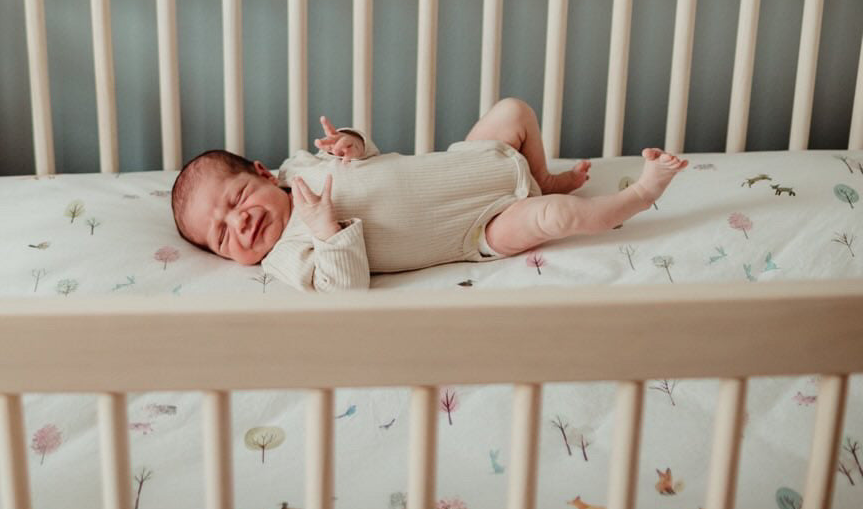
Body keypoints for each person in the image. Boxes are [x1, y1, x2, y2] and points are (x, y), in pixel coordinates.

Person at [171, 97, 687, 292]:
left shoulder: (300, 166)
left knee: (514, 112)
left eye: (237, 201)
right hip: (478, 227)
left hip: (468, 160)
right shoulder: (285, 255)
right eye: (221, 236)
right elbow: (343, 289)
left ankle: (542, 174)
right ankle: (640, 194)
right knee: (555, 216)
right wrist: (328, 231)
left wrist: (352, 143)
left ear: (262, 173)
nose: (238, 224)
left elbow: (369, 159)